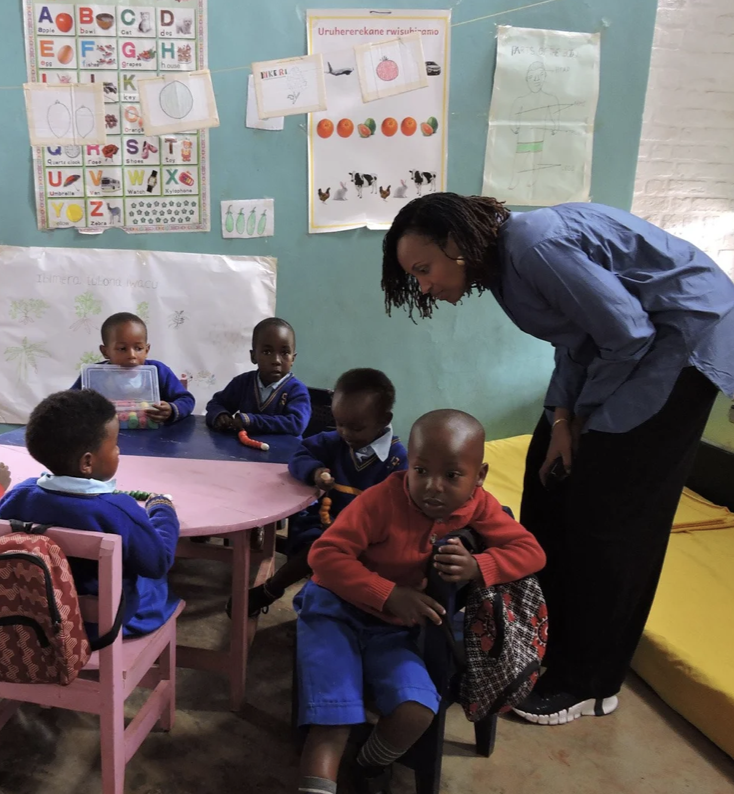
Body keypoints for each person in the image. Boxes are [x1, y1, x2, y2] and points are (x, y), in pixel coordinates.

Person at [381, 193, 734, 724]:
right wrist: (563, 421)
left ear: (455, 245)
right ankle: (546, 639)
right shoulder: (500, 268)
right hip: (633, 343)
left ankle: (591, 680)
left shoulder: (535, 245)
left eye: (424, 270)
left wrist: (584, 421)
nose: (424, 286)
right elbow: (575, 342)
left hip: (682, 337)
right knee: (548, 480)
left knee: (611, 512)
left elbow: (628, 334)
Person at [295, 409, 545, 794]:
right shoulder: (380, 501)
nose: (433, 486)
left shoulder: (479, 505)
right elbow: (324, 558)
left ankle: (367, 765)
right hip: (335, 609)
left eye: (452, 475)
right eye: (421, 470)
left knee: (417, 711)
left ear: (479, 477)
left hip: (393, 630)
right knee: (335, 716)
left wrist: (479, 565)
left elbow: (531, 552)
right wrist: (389, 594)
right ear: (407, 465)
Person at [0, 390, 180, 637]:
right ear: (87, 463)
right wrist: (163, 509)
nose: (118, 451)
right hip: (101, 627)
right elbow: (159, 562)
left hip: (34, 617)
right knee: (157, 582)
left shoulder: (18, 494)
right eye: (115, 445)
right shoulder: (118, 509)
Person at [247, 368, 408, 617]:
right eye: (339, 423)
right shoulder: (334, 441)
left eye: (355, 428)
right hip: (326, 526)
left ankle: (273, 589)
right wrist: (315, 472)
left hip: (367, 541)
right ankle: (273, 589)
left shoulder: (398, 463)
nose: (344, 432)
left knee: (335, 560)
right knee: (315, 547)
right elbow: (300, 455)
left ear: (384, 420)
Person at [71, 312, 195, 425]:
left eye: (138, 348)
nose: (132, 355)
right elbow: (70, 402)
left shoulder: (159, 371)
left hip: (153, 442)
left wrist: (171, 410)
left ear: (147, 350)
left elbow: (187, 399)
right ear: (105, 351)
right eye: (122, 349)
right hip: (105, 440)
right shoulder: (94, 375)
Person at [205, 317, 311, 437]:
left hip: (285, 453)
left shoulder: (297, 390)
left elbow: (296, 424)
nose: (276, 361)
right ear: (253, 356)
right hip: (244, 451)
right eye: (267, 352)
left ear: (293, 358)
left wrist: (251, 421)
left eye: (284, 353)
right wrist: (220, 415)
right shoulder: (243, 383)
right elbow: (216, 404)